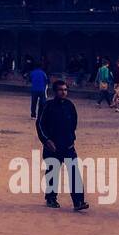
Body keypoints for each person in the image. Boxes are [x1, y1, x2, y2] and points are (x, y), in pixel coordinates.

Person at [36, 79, 88, 210]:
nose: (63, 92)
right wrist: (47, 140)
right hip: (52, 146)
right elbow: (40, 124)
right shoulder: (47, 106)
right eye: (60, 90)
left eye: (65, 90)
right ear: (55, 91)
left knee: (74, 173)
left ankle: (78, 202)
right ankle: (51, 198)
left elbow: (74, 123)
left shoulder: (70, 106)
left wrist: (70, 138)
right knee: (53, 173)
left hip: (68, 146)